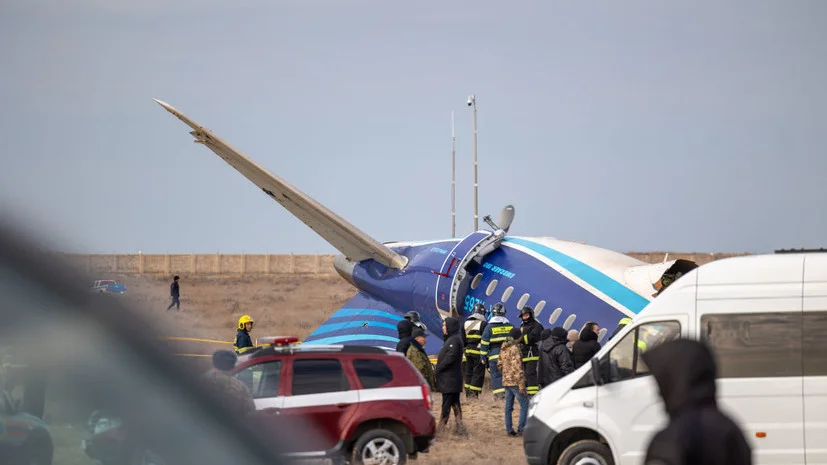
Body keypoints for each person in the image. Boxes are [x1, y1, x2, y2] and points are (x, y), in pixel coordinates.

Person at [642, 339, 752, 465]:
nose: (658, 393)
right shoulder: (731, 429)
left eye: (662, 383)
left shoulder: (673, 438)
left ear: (675, 380)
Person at [434, 316, 466, 434]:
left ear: (450, 327)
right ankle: (459, 427)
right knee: (454, 404)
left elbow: (451, 357)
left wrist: (439, 368)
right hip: (450, 380)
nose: (442, 327)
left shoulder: (454, 340)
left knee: (446, 404)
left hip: (450, 380)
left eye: (444, 325)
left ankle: (441, 428)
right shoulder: (450, 339)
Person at [200, 350, 256, 416]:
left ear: (214, 364)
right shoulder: (241, 387)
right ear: (233, 366)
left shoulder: (203, 381)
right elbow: (250, 410)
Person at [497, 327, 528, 437]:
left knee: (508, 407)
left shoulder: (504, 346)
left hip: (506, 381)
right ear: (518, 337)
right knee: (525, 404)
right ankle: (521, 429)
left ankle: (509, 430)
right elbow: (518, 367)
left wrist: (506, 373)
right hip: (515, 381)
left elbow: (499, 364)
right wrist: (521, 385)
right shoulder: (515, 348)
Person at [479, 303, 513, 399]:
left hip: (495, 356)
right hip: (508, 356)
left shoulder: (489, 328)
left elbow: (484, 344)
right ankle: (509, 395)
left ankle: (499, 396)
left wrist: (483, 357)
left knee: (496, 376)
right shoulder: (510, 326)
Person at [517, 306, 544, 396]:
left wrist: (520, 338)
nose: (525, 317)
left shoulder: (537, 326)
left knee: (530, 374)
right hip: (523, 353)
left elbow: (532, 338)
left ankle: (533, 395)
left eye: (526, 315)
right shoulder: (523, 325)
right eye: (523, 316)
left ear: (531, 315)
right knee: (524, 375)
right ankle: (525, 393)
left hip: (532, 353)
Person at [462, 303, 488, 397]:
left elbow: (462, 339)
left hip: (468, 352)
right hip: (478, 352)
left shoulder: (465, 323)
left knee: (468, 372)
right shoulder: (483, 324)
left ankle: (468, 392)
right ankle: (473, 394)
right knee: (477, 373)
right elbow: (485, 338)